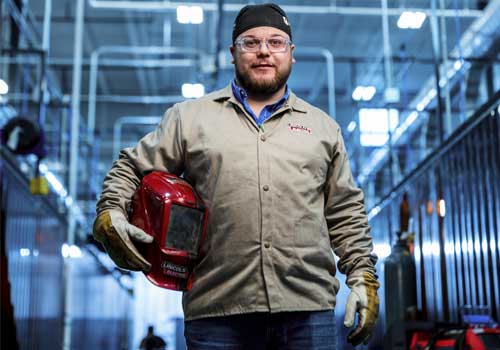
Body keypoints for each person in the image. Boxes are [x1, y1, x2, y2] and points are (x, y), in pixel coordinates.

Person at [93, 3, 379, 349]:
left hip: (307, 310)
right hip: (217, 312)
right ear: (233, 53)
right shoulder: (189, 118)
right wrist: (110, 211)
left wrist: (363, 275)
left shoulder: (322, 128)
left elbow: (345, 210)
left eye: (275, 42)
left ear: (291, 53)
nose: (263, 51)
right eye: (250, 42)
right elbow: (131, 167)